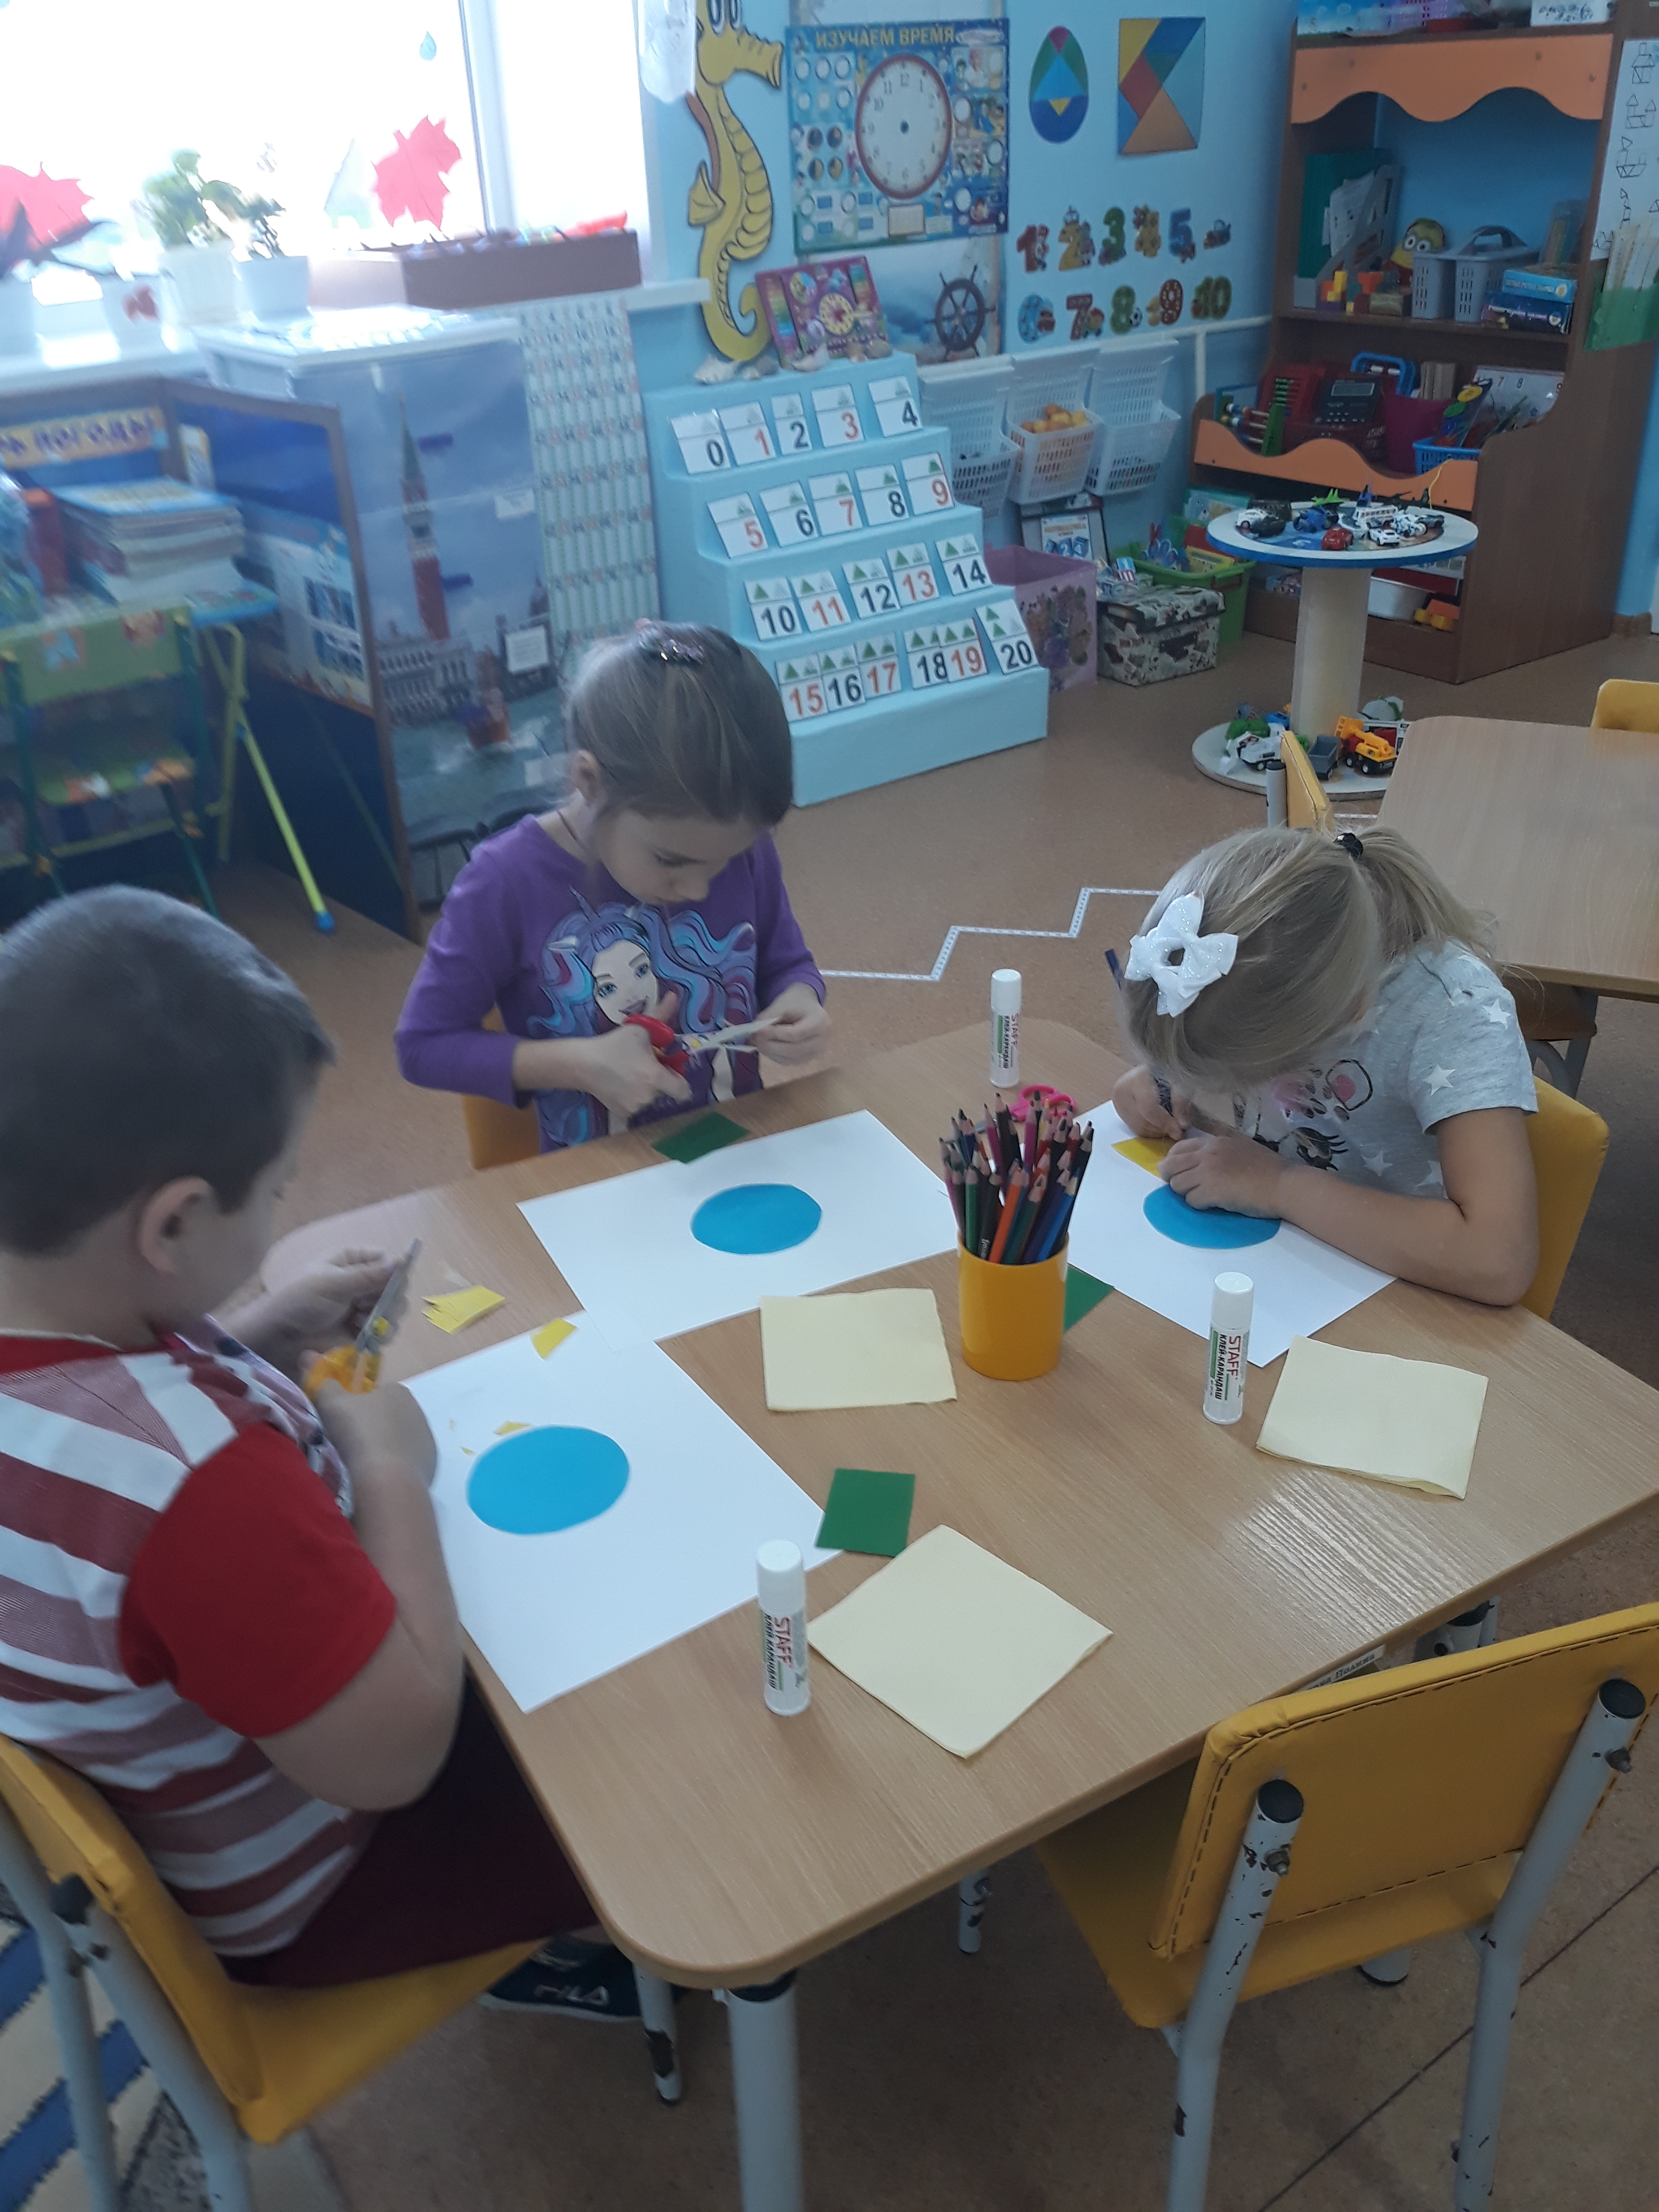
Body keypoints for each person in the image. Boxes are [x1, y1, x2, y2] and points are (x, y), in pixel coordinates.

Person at [0, 889, 636, 2014]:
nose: (284, 1207)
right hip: (323, 1877)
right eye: (278, 1189)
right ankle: (566, 1949)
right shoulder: (198, 1489)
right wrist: (387, 1464)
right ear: (172, 1225)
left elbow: (103, 1428)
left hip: (191, 1783)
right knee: (649, 1759)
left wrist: (251, 1337)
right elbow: (398, 1753)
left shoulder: (60, 1339)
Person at [396, 621, 830, 1150]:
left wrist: (800, 1001)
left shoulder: (738, 845)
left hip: (733, 1153)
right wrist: (579, 1064)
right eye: (671, 860)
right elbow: (422, 1046)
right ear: (589, 782)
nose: (698, 889)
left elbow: (787, 965)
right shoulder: (504, 882)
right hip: (599, 1177)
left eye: (725, 861)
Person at [1111, 825, 1540, 1305]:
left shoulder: (1453, 1014)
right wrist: (1168, 1081)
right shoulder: (1281, 960)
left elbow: (1498, 1260)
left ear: (1350, 1013)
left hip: (1402, 1294)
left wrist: (1281, 1187)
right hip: (1293, 1259)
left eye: (1241, 1075)